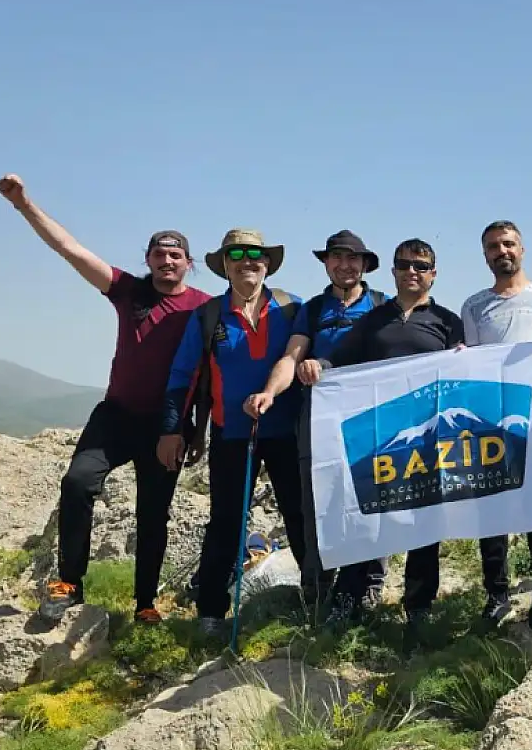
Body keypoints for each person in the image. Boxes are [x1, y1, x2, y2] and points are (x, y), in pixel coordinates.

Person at [0, 174, 213, 624]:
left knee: (154, 513)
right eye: (159, 254)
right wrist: (23, 204)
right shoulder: (130, 291)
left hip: (166, 425)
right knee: (76, 484)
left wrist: (197, 430)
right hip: (115, 416)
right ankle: (69, 583)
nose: (166, 261)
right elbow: (71, 250)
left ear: (189, 263)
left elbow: (212, 375)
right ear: (148, 259)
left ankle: (145, 603)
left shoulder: (204, 307)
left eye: (175, 255)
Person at [157, 229, 310, 636]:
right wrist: (174, 429)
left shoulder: (292, 308)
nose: (247, 260)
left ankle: (317, 598)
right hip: (231, 433)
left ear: (268, 263)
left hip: (289, 432)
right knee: (226, 521)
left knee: (300, 515)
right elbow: (183, 375)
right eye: (236, 254)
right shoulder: (208, 316)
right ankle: (209, 612)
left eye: (255, 254)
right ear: (224, 265)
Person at [310, 238, 465, 637]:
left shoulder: (448, 323)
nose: (412, 271)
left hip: (429, 440)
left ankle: (418, 607)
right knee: (369, 519)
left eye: (421, 265)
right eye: (404, 265)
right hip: (380, 439)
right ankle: (348, 599)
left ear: (433, 273)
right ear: (393, 272)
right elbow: (338, 360)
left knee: (426, 522)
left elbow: (465, 374)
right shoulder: (373, 321)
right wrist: (317, 365)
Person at [244, 230, 387, 614]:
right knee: (317, 502)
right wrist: (270, 392)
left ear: (365, 265)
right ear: (326, 263)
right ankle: (317, 588)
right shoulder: (312, 309)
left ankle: (367, 585)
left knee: (370, 498)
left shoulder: (382, 305)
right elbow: (292, 358)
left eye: (353, 258)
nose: (345, 265)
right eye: (337, 257)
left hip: (368, 419)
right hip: (318, 421)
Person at [459, 220, 532, 628]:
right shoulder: (473, 307)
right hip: (491, 420)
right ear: (485, 255)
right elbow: (471, 359)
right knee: (492, 504)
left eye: (508, 244)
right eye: (493, 246)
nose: (501, 251)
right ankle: (497, 591)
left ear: (522, 249)